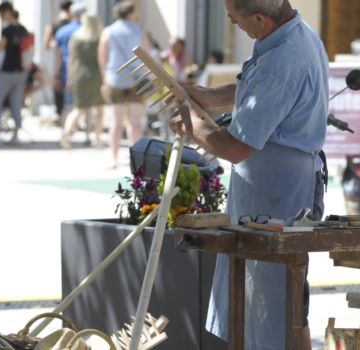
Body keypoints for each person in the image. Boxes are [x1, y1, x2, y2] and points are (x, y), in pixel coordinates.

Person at [168, 1, 328, 349]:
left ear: (259, 17)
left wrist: (193, 127)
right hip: (273, 191)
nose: (231, 23)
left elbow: (234, 147)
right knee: (269, 303)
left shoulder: (284, 59)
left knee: (271, 309)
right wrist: (209, 97)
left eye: (234, 18)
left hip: (277, 197)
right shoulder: (295, 34)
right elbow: (255, 90)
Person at [99, 1, 149, 168]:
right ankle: (135, 158)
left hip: (115, 79)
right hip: (137, 79)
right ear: (131, 13)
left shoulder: (109, 31)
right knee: (135, 121)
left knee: (115, 120)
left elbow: (102, 57)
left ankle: (113, 158)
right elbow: (147, 56)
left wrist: (104, 79)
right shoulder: (140, 31)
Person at [59, 14, 104, 149]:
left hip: (79, 74)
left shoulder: (76, 37)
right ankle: (96, 139)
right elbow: (102, 61)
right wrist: (105, 79)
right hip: (96, 76)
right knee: (99, 110)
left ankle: (66, 135)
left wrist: (69, 78)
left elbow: (71, 60)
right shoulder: (99, 38)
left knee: (78, 108)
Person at [0, 2, 29, 144]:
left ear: (6, 12)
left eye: (0, 14)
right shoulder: (24, 30)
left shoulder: (6, 31)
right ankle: (17, 133)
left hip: (7, 72)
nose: (0, 17)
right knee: (15, 103)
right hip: (21, 73)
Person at [44, 0, 73, 121]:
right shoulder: (73, 24)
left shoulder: (53, 24)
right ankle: (67, 116)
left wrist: (55, 44)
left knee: (58, 86)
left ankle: (62, 114)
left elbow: (46, 44)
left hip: (59, 59)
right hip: (68, 59)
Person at [53, 3, 84, 120]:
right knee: (86, 104)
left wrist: (56, 74)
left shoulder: (62, 31)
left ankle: (67, 128)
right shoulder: (90, 31)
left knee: (69, 104)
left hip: (67, 70)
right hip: (87, 72)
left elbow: (58, 55)